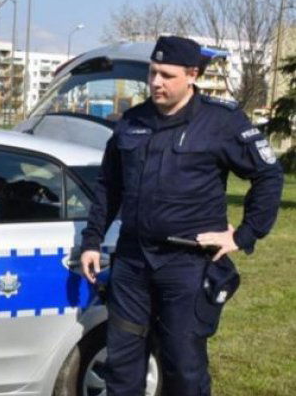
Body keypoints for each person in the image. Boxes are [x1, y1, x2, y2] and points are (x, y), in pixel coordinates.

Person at [79, 36, 284, 395]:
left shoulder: (221, 122)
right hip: (132, 261)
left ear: (192, 75)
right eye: (152, 72)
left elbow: (268, 174)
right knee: (122, 368)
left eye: (166, 75)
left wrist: (243, 235)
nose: (155, 82)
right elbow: (109, 185)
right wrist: (93, 240)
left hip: (187, 263)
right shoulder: (132, 121)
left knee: (184, 368)